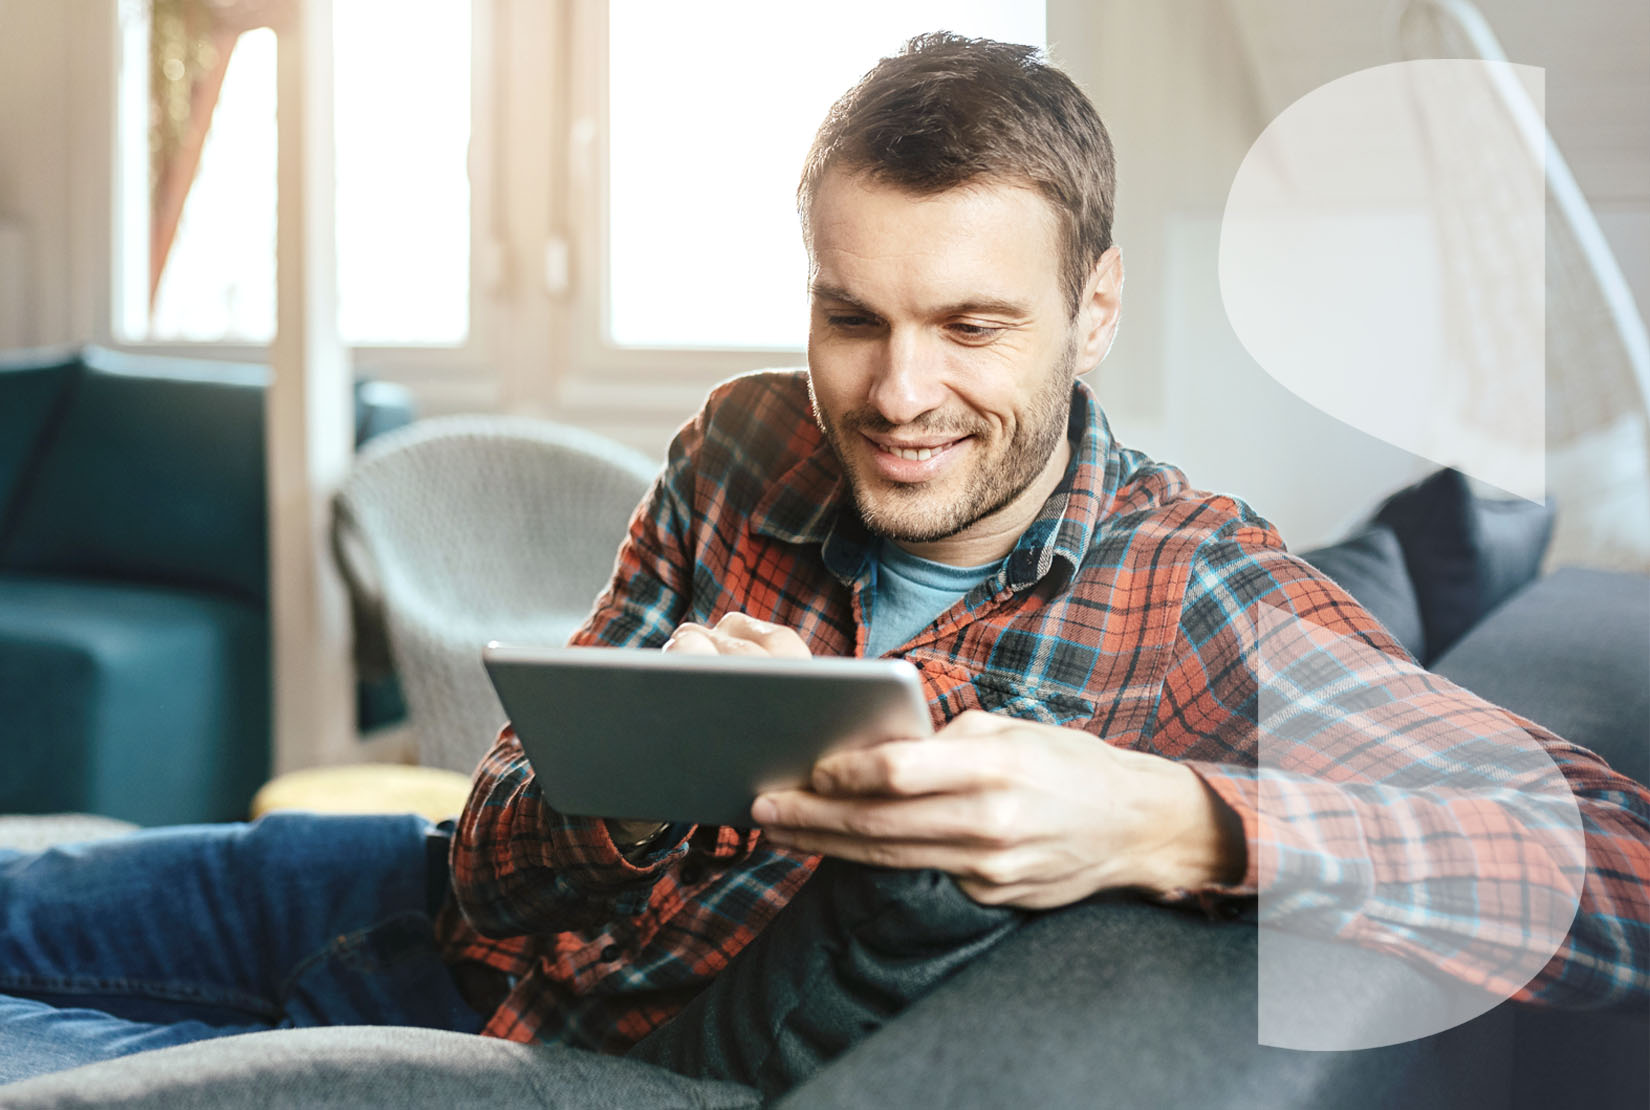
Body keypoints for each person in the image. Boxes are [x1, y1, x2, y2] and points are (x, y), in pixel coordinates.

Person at [2, 31, 1647, 1098]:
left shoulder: (1192, 589)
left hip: (527, 1056)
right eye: (849, 314)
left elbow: (1606, 863)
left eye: (970, 324)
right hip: (422, 913)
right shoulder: (748, 441)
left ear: (1094, 313)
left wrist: (1173, 815)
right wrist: (632, 767)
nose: (893, 391)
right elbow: (497, 855)